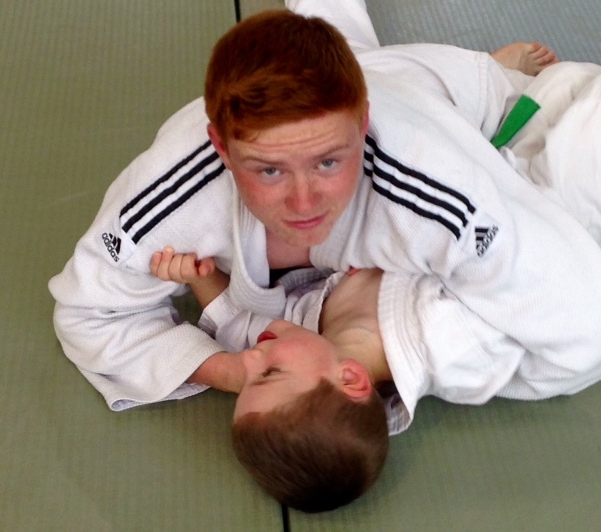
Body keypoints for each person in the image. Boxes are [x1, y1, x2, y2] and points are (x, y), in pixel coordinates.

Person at [48, 0, 601, 416]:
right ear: (221, 147)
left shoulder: (431, 185)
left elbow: (581, 330)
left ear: (362, 127)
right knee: (346, 52)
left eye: (328, 162)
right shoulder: (176, 190)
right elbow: (85, 313)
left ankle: (489, 75)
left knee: (495, 112)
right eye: (269, 170)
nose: (304, 202)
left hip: (433, 98)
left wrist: (418, 360)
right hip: (386, 82)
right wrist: (231, 372)